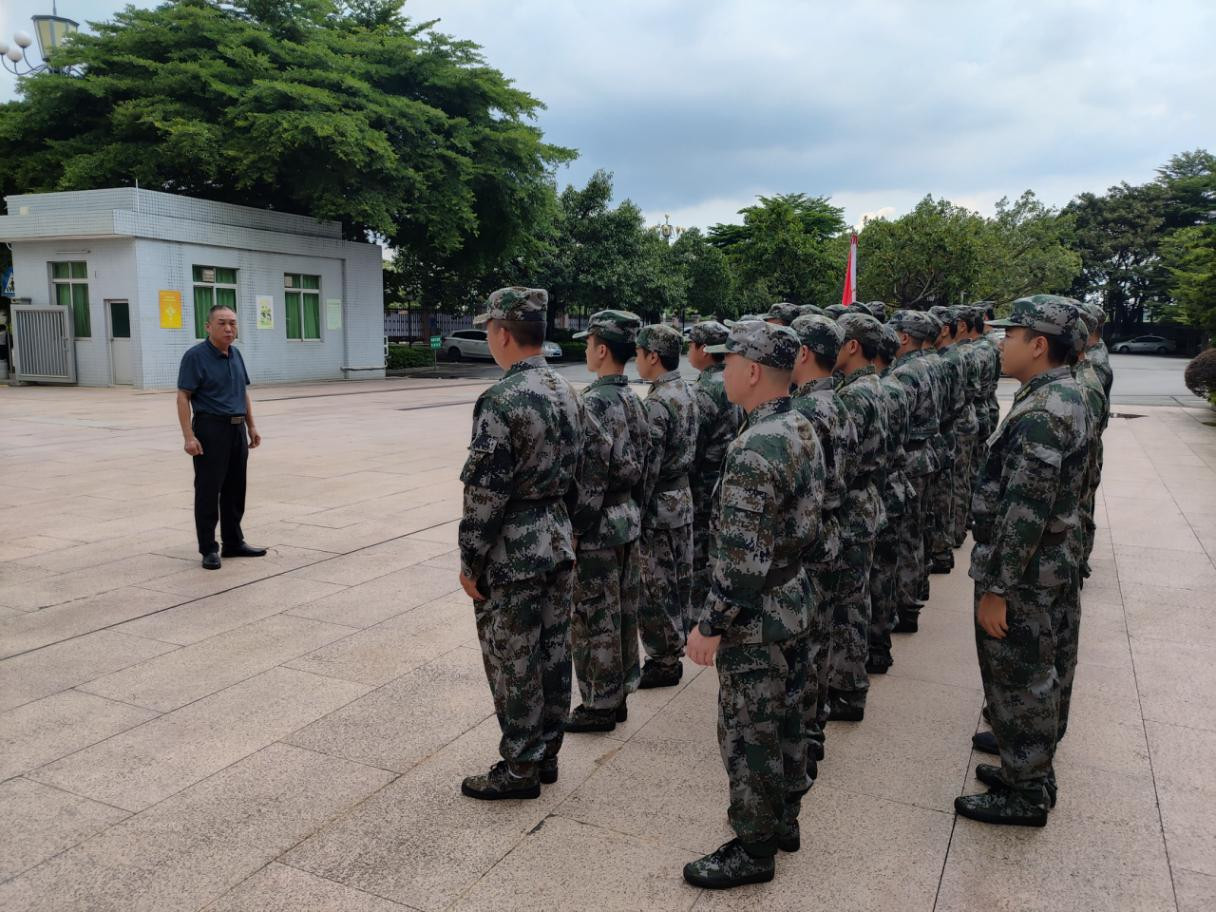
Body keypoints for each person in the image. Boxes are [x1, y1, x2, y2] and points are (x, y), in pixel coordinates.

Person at [681, 320, 824, 889]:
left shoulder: (754, 447)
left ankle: (754, 846)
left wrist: (709, 626)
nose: (722, 372)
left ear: (753, 370)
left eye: (728, 362)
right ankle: (783, 818)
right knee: (787, 717)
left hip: (758, 612)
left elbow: (740, 563)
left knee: (749, 733)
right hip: (792, 596)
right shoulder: (799, 425)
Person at [957, 295, 1090, 827]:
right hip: (1051, 564)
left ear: (1039, 345)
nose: (1001, 343)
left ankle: (1026, 793)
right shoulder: (1066, 395)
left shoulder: (1043, 413)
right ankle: (1028, 769)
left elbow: (1024, 512)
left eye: (1011, 335)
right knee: (1043, 670)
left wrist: (996, 587)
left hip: (1026, 576)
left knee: (1020, 677)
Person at [457, 286, 584, 800]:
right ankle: (544, 753)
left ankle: (520, 767)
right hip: (557, 536)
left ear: (502, 334)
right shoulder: (567, 391)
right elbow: (584, 472)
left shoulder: (501, 399)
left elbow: (486, 491)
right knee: (554, 652)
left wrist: (470, 559)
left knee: (514, 659)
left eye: (489, 328)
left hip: (514, 548)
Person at [564, 310, 648, 733]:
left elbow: (590, 475)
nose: (585, 349)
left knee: (595, 615)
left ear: (601, 349)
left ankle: (599, 702)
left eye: (588, 342)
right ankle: (618, 694)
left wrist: (575, 530)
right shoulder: (633, 397)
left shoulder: (595, 400)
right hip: (627, 517)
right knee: (623, 613)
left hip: (598, 526)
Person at [790, 313, 857, 758]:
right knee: (820, 638)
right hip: (831, 532)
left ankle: (804, 735)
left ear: (804, 353)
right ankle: (813, 729)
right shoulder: (839, 403)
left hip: (810, 539)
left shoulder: (805, 411)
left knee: (802, 646)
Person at [826, 312, 888, 721]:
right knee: (855, 599)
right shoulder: (872, 386)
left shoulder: (853, 396)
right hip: (863, 504)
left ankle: (847, 690)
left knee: (847, 607)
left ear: (851, 346)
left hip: (850, 510)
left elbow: (841, 466)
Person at [176, 304, 265, 570]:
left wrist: (251, 426)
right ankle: (208, 549)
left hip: (236, 429)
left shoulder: (236, 354)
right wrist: (188, 436)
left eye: (233, 323)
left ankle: (233, 542)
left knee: (236, 489)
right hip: (210, 429)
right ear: (208, 326)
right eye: (222, 323)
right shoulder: (195, 356)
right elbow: (183, 396)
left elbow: (243, 392)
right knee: (208, 490)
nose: (228, 328)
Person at [634, 324, 699, 688]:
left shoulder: (658, 403)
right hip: (682, 499)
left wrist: (637, 512)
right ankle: (674, 646)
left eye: (640, 354)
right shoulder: (685, 391)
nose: (638, 361)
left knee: (656, 586)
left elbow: (648, 467)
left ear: (653, 356)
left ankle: (663, 660)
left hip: (660, 505)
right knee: (677, 581)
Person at [886, 311, 939, 634]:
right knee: (916, 533)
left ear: (904, 337)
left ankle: (905, 608)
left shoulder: (906, 373)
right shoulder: (931, 363)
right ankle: (913, 595)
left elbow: (895, 425)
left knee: (905, 539)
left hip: (911, 458)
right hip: (926, 454)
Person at [688, 321, 744, 614]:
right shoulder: (732, 379)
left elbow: (693, 449)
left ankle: (700, 615)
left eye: (691, 344)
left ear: (703, 349)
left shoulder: (705, 390)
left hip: (703, 484)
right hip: (724, 477)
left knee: (700, 556)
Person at [869, 322, 912, 673]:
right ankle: (880, 642)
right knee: (885, 569)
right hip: (893, 485)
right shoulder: (895, 387)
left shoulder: (872, 391)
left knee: (874, 574)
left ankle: (874, 647)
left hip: (877, 491)